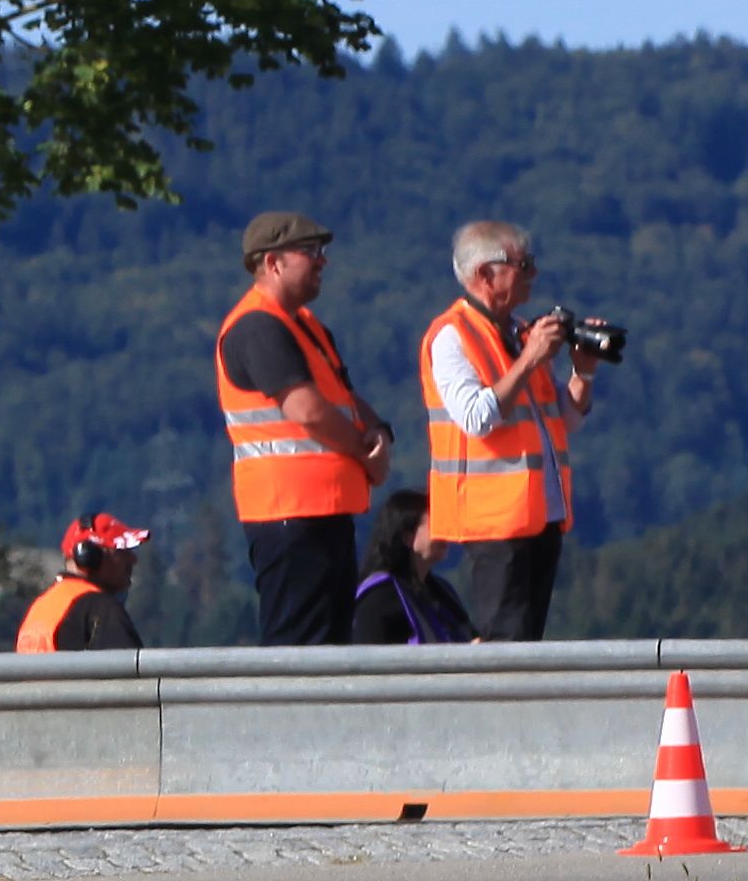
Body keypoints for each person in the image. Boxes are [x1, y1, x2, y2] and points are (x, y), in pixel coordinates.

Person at [421, 219, 602, 642]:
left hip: (541, 517)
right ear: (485, 274)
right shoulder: (451, 336)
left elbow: (564, 420)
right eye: (524, 264)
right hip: (495, 524)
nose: (533, 276)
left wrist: (583, 374)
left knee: (528, 643)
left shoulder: (518, 334)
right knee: (505, 644)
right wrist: (531, 359)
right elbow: (475, 416)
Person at [216, 211, 391, 645]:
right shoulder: (257, 326)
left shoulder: (306, 326)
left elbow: (343, 399)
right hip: (287, 514)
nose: (322, 261)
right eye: (310, 252)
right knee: (297, 650)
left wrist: (379, 433)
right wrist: (362, 452)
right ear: (272, 263)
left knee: (327, 647)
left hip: (320, 512)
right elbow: (307, 410)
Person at [351, 486, 475, 645]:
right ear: (407, 537)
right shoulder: (379, 597)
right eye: (436, 524)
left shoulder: (442, 592)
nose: (444, 532)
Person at [15, 515, 149, 652]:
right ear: (91, 557)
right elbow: (130, 670)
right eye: (122, 551)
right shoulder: (102, 608)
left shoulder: (40, 606)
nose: (133, 559)